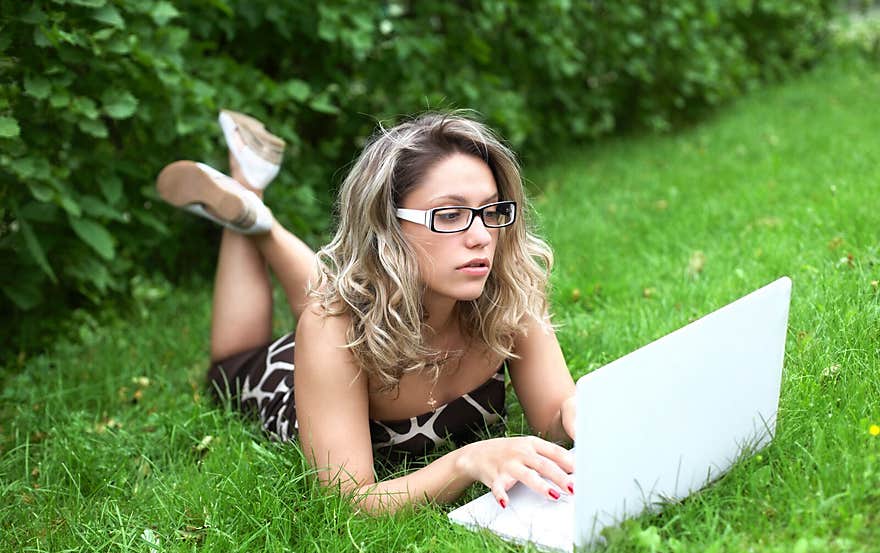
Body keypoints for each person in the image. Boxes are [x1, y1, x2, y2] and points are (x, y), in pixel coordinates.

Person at [156, 109, 576, 514]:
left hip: (373, 315)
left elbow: (554, 420)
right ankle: (250, 212)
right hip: (300, 373)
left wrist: (581, 412)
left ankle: (254, 211)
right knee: (241, 360)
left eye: (491, 211)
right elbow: (347, 501)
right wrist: (464, 463)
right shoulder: (331, 330)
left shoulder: (509, 289)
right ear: (387, 225)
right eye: (450, 216)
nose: (482, 236)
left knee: (345, 301)